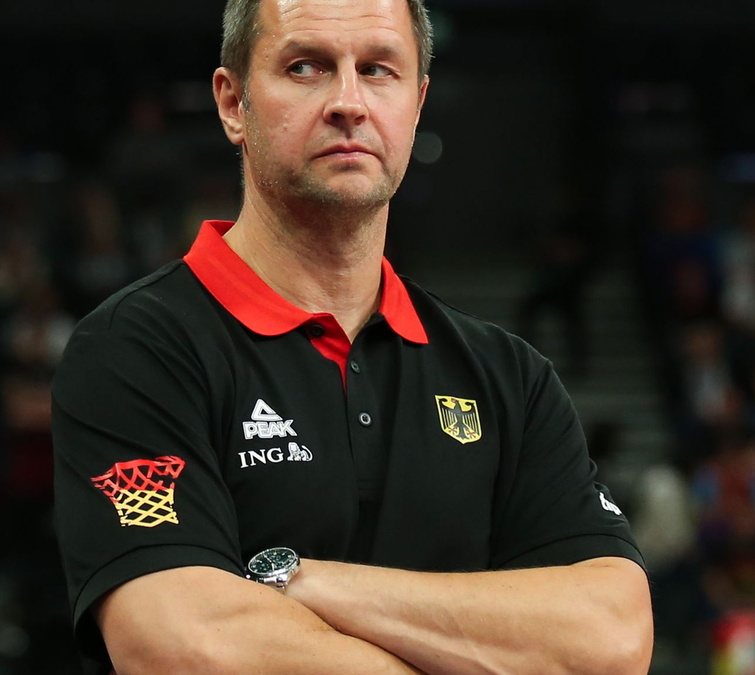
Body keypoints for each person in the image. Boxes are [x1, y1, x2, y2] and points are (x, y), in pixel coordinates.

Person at [50, 0, 652, 673]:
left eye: (378, 69)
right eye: (305, 67)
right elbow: (182, 647)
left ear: (417, 105)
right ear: (232, 104)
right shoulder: (133, 351)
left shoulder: (511, 378)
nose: (347, 102)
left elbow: (612, 640)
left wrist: (298, 579)